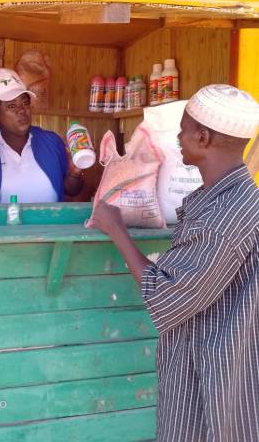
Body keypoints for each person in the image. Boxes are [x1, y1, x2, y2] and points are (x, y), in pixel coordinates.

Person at [91, 84, 259, 442]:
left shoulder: (223, 217)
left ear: (202, 137)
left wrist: (117, 229)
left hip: (215, 377)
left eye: (182, 129)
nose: (178, 138)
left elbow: (165, 295)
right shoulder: (235, 199)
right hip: (217, 362)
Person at [0, 68, 84, 203]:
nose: (22, 110)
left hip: (49, 223)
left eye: (25, 103)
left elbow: (71, 191)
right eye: (11, 106)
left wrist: (74, 173)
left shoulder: (51, 141)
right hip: (1, 224)